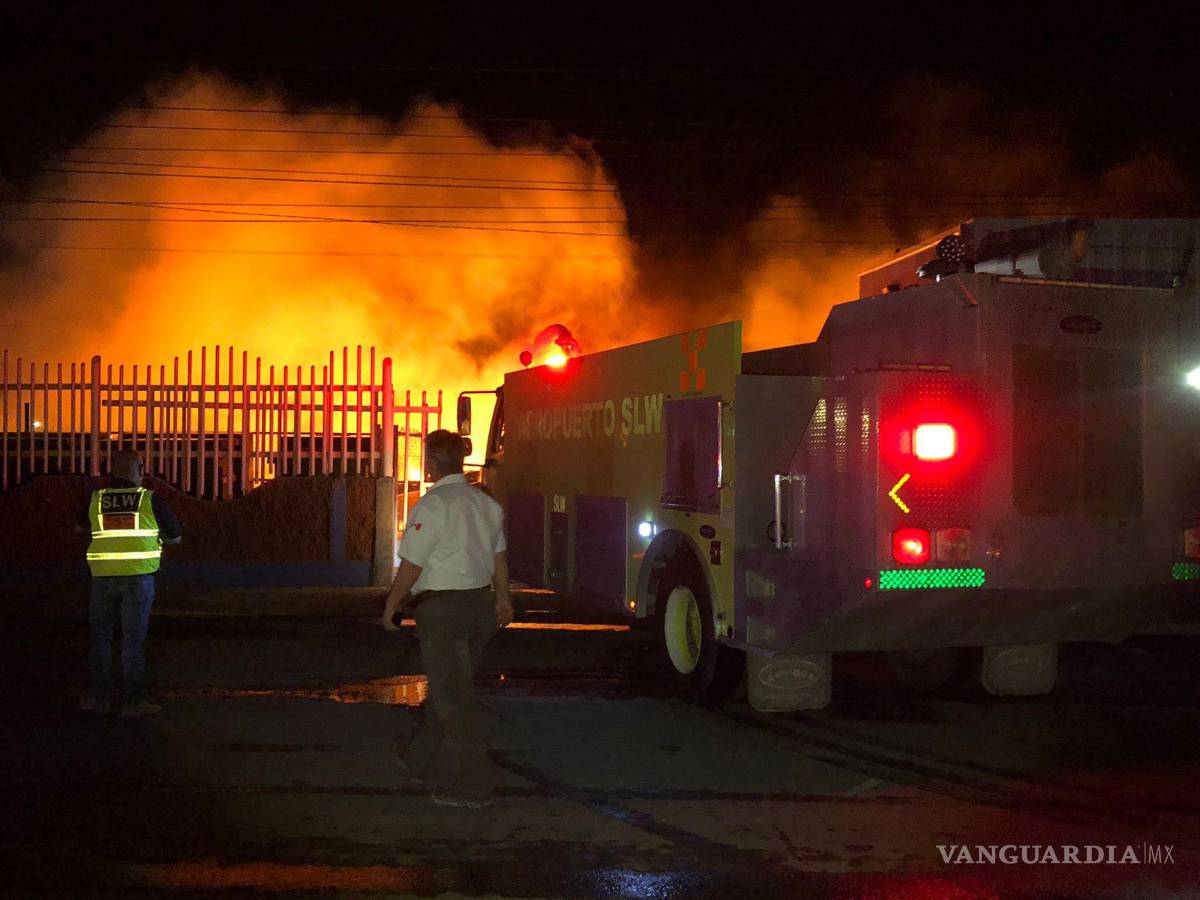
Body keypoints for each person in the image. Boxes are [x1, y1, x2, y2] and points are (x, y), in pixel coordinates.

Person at [380, 430, 513, 808]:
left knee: (452, 696)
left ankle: (475, 784)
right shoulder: (485, 503)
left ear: (432, 461)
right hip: (480, 608)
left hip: (444, 612)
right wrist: (503, 599)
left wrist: (391, 604)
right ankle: (417, 758)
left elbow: (412, 564)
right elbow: (499, 556)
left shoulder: (433, 505)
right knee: (451, 685)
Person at [79, 449, 183, 717]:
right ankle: (133, 703)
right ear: (138, 469)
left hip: (102, 578)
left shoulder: (96, 499)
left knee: (100, 640)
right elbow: (174, 535)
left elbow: (80, 527)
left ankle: (97, 700)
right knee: (132, 642)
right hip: (138, 578)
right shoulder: (149, 500)